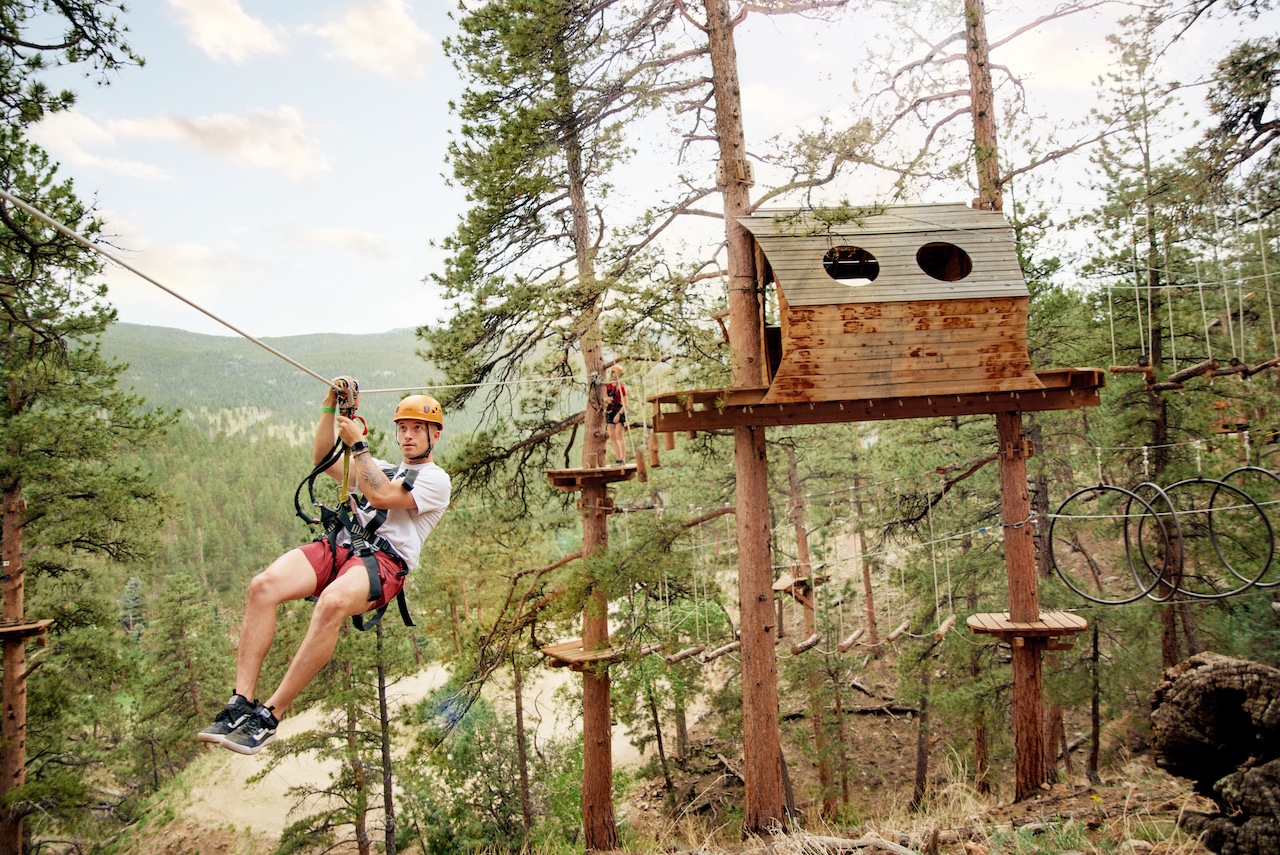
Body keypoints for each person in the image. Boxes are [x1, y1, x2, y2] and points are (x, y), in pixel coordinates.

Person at [197, 385, 452, 754]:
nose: (408, 436)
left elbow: (381, 496)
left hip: (383, 562)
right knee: (263, 586)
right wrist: (330, 407)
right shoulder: (381, 468)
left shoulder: (435, 480)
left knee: (331, 603)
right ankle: (241, 702)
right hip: (342, 545)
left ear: (434, 435)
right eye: (403, 428)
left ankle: (270, 715)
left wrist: (359, 445)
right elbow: (321, 458)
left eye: (417, 429)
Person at [604, 364, 628, 465]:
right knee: (612, 436)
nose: (614, 375)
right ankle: (618, 458)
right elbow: (605, 398)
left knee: (619, 435)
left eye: (616, 373)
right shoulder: (608, 386)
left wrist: (619, 414)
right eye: (613, 372)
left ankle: (622, 459)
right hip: (610, 410)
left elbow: (626, 403)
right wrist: (607, 400)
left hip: (619, 410)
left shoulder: (621, 387)